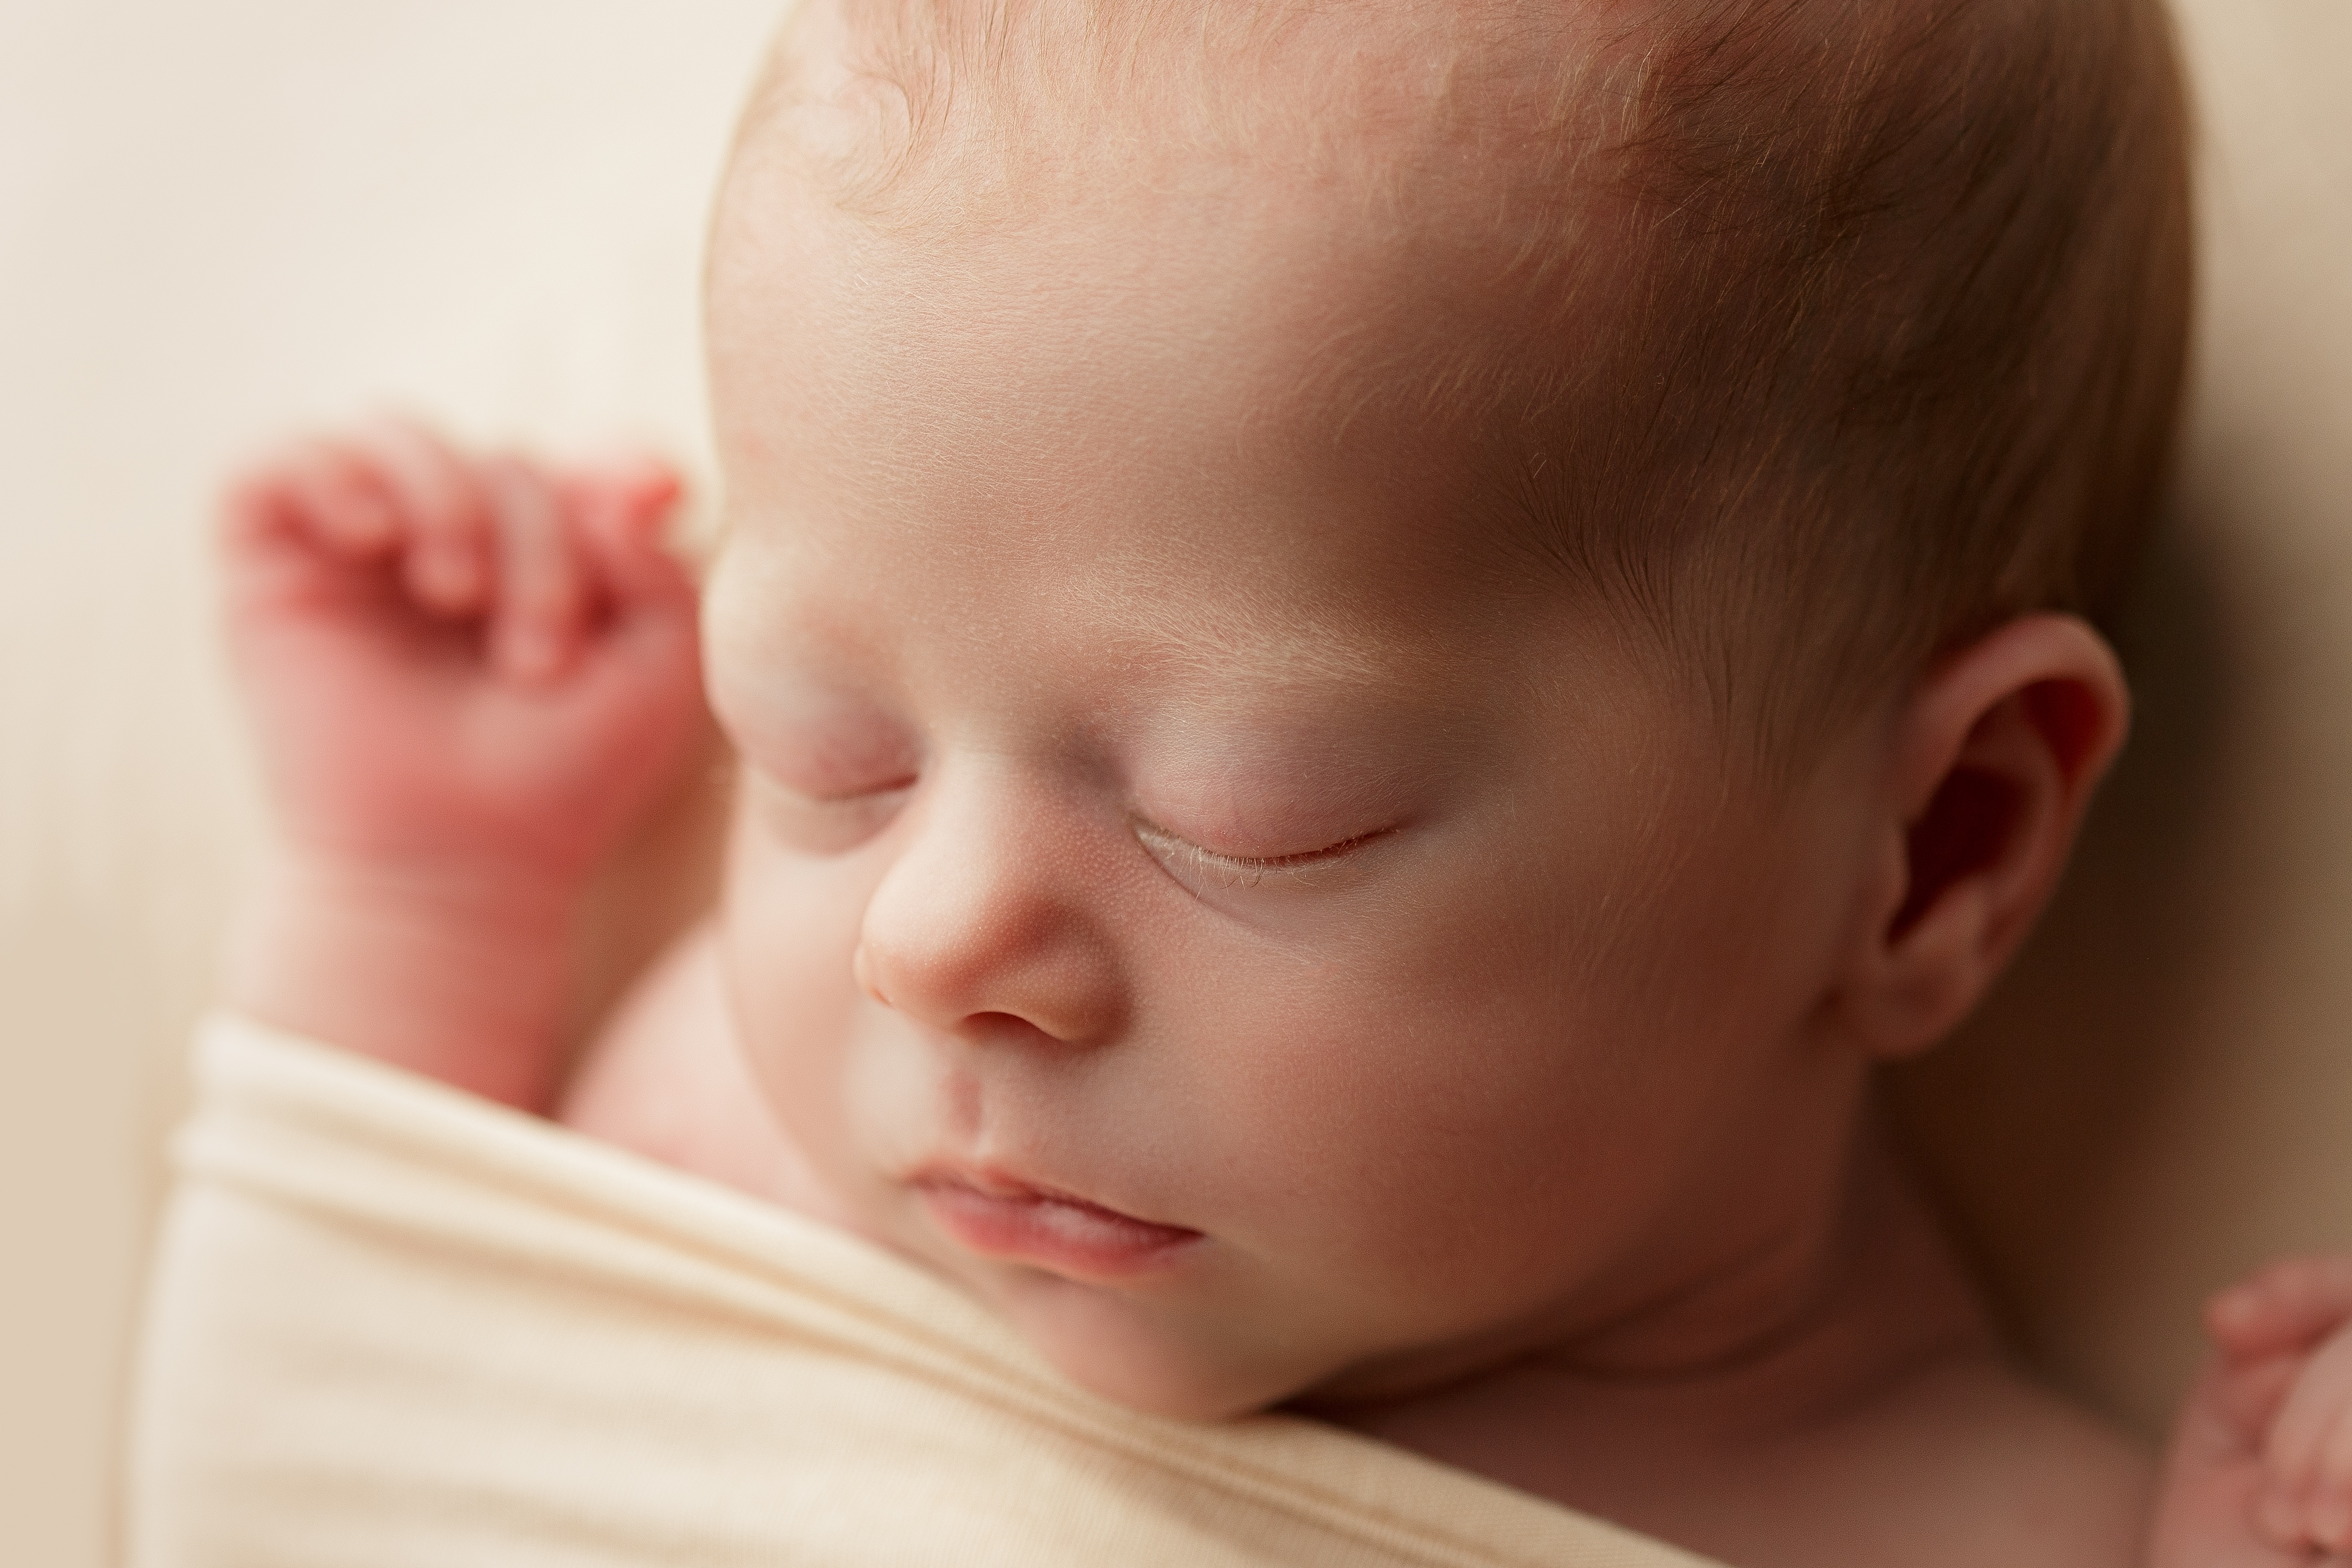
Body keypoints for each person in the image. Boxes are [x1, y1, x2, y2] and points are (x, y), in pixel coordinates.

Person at [208, 1, 2215, 1563]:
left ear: (1934, 850)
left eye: (1247, 816)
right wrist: (418, 896)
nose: (928, 942)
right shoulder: (717, 1134)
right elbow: (303, 1474)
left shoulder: (1993, 1538)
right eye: (821, 748)